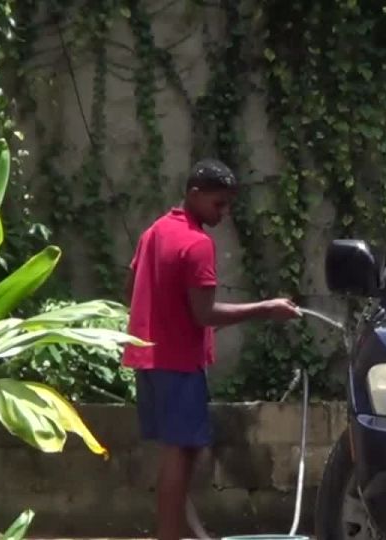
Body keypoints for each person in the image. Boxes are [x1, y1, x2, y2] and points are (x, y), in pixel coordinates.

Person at [122, 158, 302, 540]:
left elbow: (133, 290)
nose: (223, 213)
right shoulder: (197, 243)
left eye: (227, 205)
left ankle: (194, 535)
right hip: (178, 363)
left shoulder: (155, 231)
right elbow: (204, 313)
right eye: (217, 204)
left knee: (177, 454)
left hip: (150, 360)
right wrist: (266, 309)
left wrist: (172, 321)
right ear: (194, 194)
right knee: (180, 455)